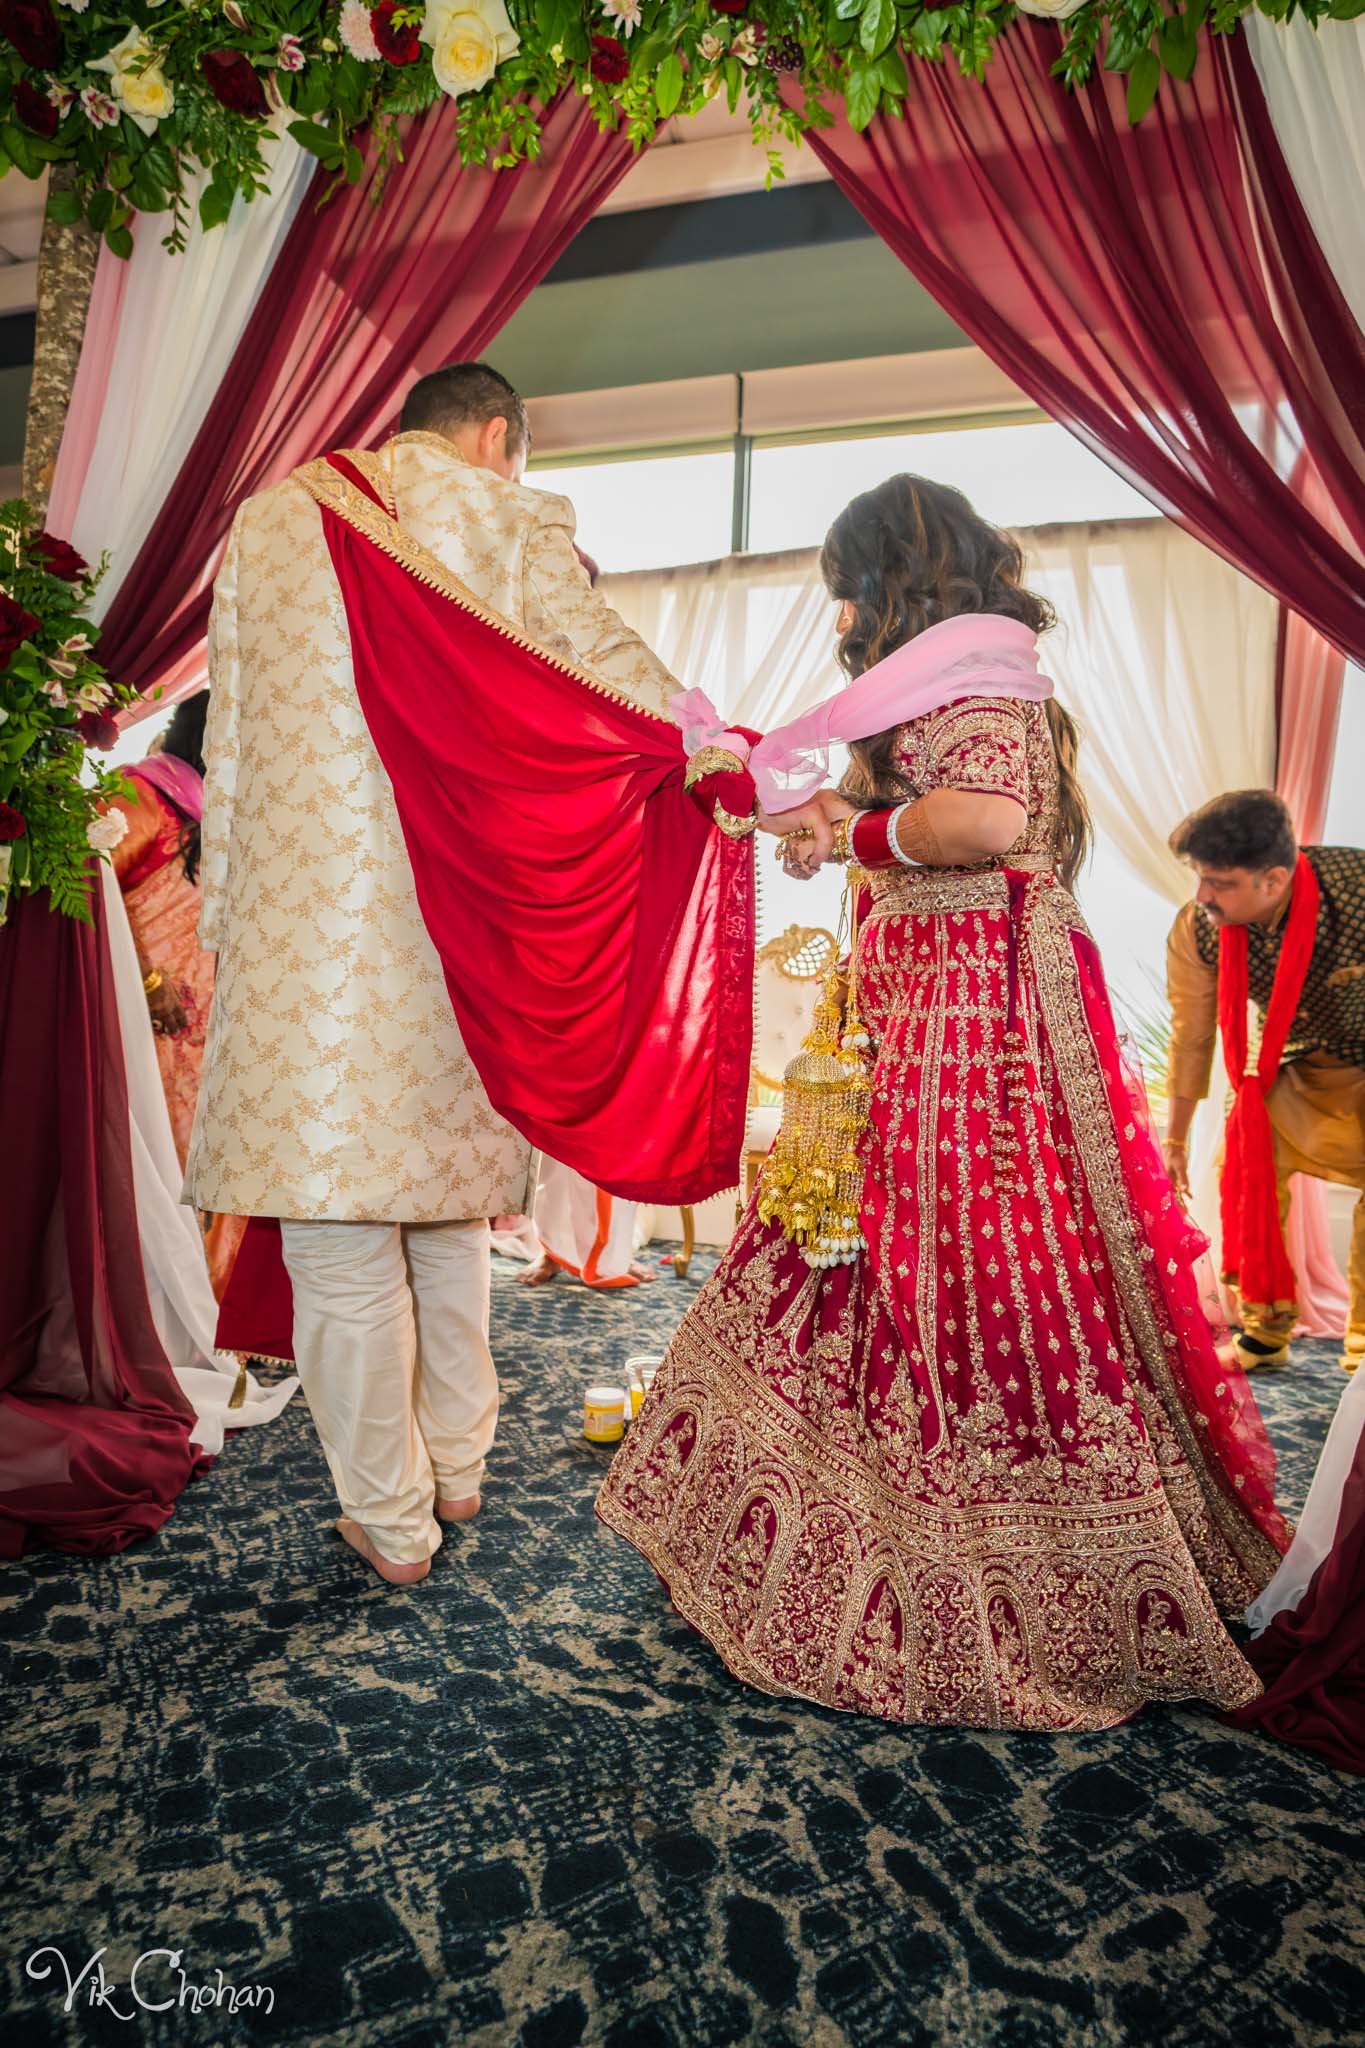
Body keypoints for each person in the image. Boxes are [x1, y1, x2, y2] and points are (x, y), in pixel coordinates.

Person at [598, 474, 1289, 1732]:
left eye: (854, 589)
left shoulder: (980, 671)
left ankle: (999, 1564)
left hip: (981, 1019)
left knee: (971, 1248)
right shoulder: (948, 674)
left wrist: (855, 836)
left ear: (893, 579)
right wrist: (833, 817)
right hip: (920, 989)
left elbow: (982, 819)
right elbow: (919, 815)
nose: (847, 615)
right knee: (859, 1238)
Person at [188, 362, 678, 1586]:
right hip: (462, 920)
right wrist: (713, 743)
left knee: (343, 1246)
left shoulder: (268, 515)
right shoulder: (497, 510)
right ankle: (458, 1471)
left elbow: (234, 730)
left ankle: (392, 1523)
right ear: (501, 436)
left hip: (307, 930)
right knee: (450, 1218)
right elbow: (596, 661)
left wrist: (229, 911)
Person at [1164, 792, 1365, 1376]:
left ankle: (1363, 1347)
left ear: (1274, 880)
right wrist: (1174, 1141)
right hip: (1295, 1069)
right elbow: (1193, 1039)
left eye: (1220, 882)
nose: (1204, 897)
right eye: (1201, 879)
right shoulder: (1201, 929)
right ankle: (1265, 1327)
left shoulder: (1355, 892)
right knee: (1248, 1159)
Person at [104, 693, 245, 1299]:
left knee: (222, 1164)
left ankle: (216, 1309)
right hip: (151, 1020)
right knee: (155, 1165)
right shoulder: (136, 796)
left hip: (217, 1023)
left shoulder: (225, 807)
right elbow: (88, 888)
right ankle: (152, 1312)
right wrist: (150, 985)